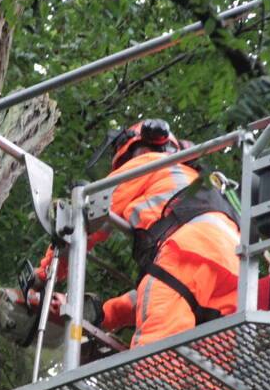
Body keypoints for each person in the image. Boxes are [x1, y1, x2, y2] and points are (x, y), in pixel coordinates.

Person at [34, 119, 241, 348]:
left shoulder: (146, 164)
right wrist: (101, 314)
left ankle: (150, 380)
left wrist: (42, 277)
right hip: (235, 269)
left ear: (129, 149)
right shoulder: (198, 184)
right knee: (216, 365)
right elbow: (157, 290)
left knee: (155, 354)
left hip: (185, 247)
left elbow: (83, 220)